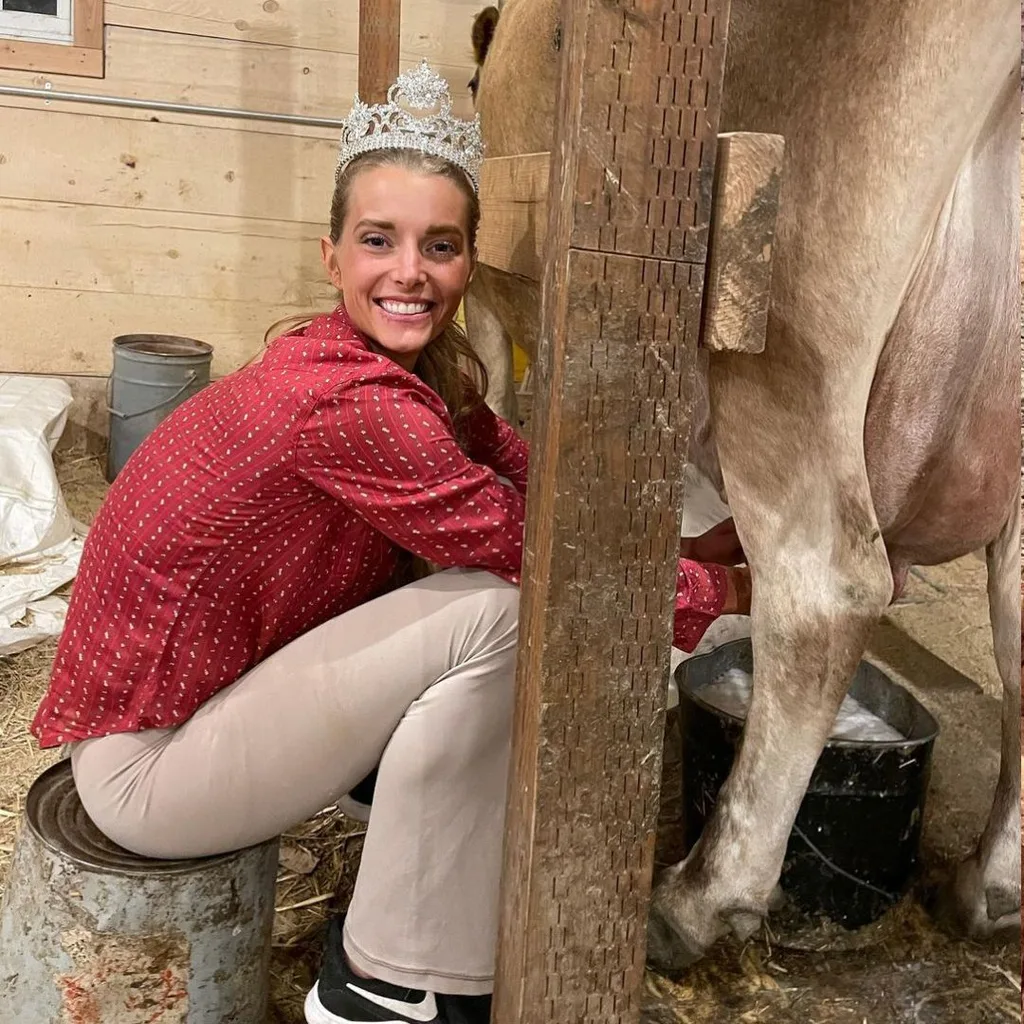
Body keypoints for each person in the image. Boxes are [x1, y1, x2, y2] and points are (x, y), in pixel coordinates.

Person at [30, 63, 751, 1024]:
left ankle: (395, 802)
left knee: (480, 580)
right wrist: (733, 592)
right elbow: (548, 565)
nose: (409, 271)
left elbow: (529, 480)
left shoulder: (388, 366)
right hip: (145, 773)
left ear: (468, 262)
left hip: (202, 714)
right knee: (499, 607)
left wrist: (688, 541)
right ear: (332, 256)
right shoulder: (352, 404)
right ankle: (385, 987)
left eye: (439, 246)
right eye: (380, 241)